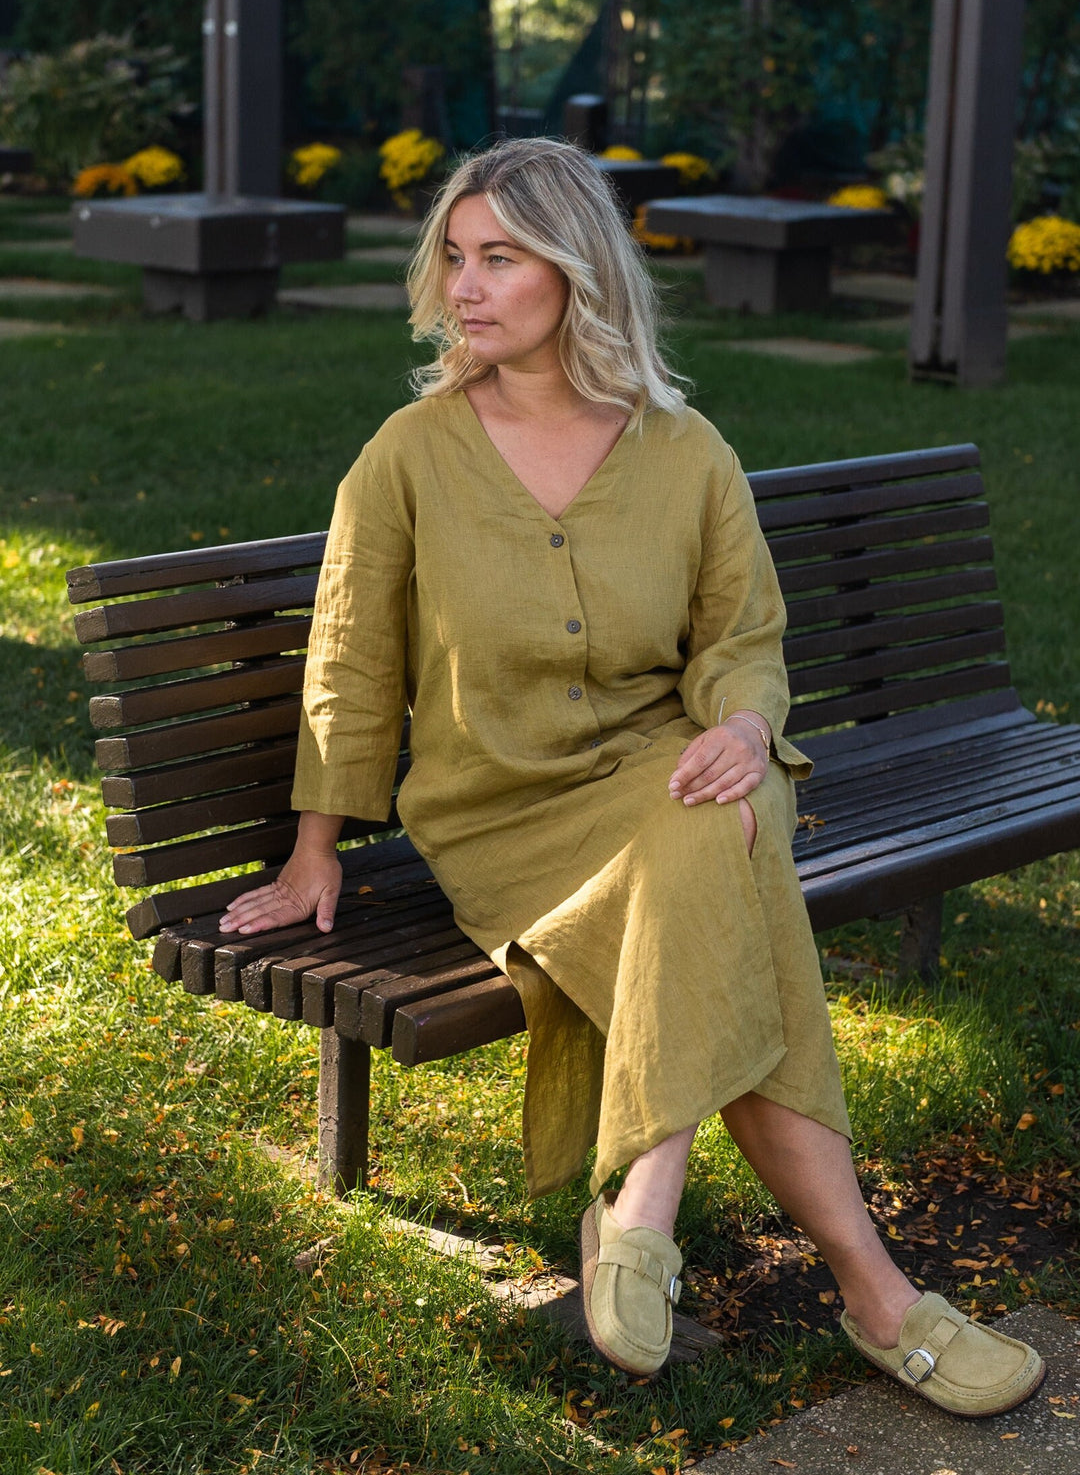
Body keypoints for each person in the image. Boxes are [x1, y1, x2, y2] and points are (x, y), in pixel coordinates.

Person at [220, 138, 1043, 1408]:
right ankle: (876, 1298)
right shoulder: (410, 452)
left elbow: (742, 644)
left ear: (579, 272)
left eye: (501, 257)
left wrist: (743, 724)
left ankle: (644, 1204)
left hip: (663, 782)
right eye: (454, 255)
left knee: (728, 808)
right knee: (736, 870)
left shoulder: (685, 451)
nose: (465, 286)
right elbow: (350, 655)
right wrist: (316, 844)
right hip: (501, 813)